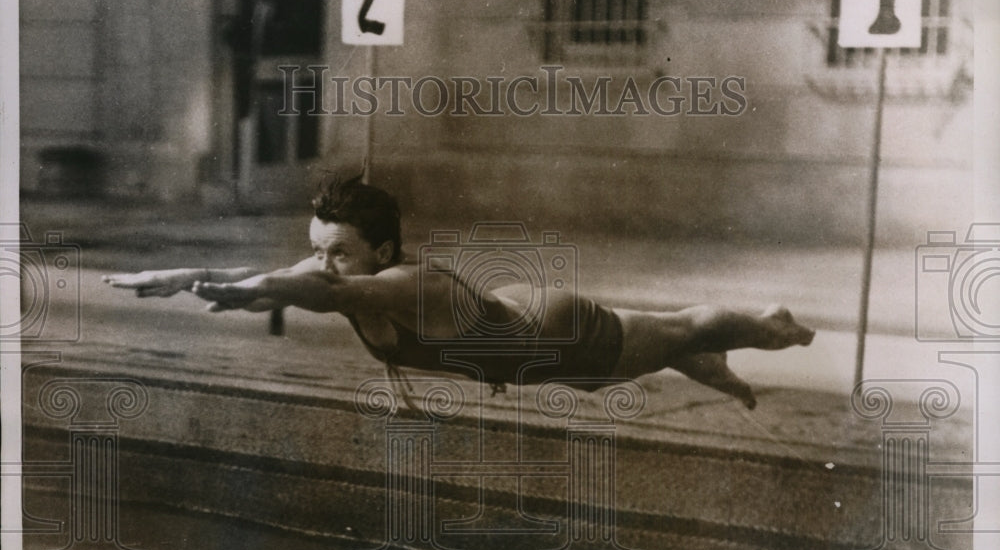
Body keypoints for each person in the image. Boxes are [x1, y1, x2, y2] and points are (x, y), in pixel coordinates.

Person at [104, 176, 815, 410]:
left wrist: (226, 288)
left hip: (553, 334)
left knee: (680, 327)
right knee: (663, 341)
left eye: (340, 252)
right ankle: (712, 361)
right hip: (514, 341)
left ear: (380, 252)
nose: (325, 264)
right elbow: (279, 287)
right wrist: (176, 278)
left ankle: (768, 320)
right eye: (319, 248)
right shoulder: (341, 272)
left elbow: (296, 293)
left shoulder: (397, 284)